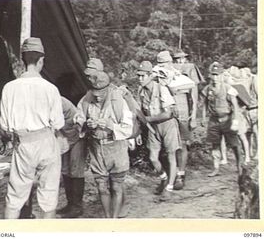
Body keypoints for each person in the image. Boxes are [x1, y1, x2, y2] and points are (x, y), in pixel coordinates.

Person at [0, 37, 64, 219]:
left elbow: (4, 125)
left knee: (14, 196)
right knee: (48, 195)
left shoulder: (9, 88)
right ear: (41, 60)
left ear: (22, 60)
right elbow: (58, 123)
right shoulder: (50, 89)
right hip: (45, 142)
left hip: (23, 143)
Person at [75, 72, 133, 218]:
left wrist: (111, 125)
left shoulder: (118, 101)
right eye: (95, 93)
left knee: (116, 185)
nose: (98, 96)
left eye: (101, 93)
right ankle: (107, 218)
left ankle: (114, 220)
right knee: (101, 186)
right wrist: (86, 125)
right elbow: (78, 120)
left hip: (116, 147)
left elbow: (128, 129)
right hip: (96, 148)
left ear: (108, 88)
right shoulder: (86, 100)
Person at [137, 60, 181, 199]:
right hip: (153, 128)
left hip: (168, 125)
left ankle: (170, 187)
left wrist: (148, 119)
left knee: (171, 156)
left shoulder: (161, 88)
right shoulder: (141, 91)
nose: (140, 79)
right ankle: (164, 178)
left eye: (143, 76)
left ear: (150, 75)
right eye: (138, 76)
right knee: (153, 157)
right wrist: (138, 130)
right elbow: (139, 112)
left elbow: (169, 113)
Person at [155, 50, 196, 190]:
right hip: (168, 113)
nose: (179, 62)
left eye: (181, 59)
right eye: (176, 59)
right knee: (170, 147)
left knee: (182, 144)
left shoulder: (184, 74)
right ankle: (170, 176)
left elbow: (193, 97)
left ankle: (180, 174)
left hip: (182, 111)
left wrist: (194, 116)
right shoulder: (159, 74)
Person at [201, 62, 242, 177]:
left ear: (222, 75)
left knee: (234, 144)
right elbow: (204, 104)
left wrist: (235, 121)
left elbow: (235, 106)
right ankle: (216, 168)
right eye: (213, 75)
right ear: (210, 75)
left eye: (217, 75)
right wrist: (203, 118)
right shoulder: (207, 89)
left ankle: (240, 166)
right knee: (215, 144)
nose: (215, 77)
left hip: (227, 119)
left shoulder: (228, 88)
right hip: (214, 120)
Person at [56, 97, 87, 218]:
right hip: (64, 136)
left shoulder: (58, 101)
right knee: (65, 169)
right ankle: (70, 204)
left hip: (77, 135)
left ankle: (77, 207)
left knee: (76, 170)